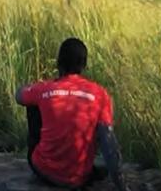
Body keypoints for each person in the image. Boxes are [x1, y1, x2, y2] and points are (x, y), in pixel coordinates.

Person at [15, 38, 127, 191]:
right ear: (84, 65)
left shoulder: (44, 89)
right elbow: (108, 143)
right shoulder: (99, 94)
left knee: (33, 104)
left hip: (45, 170)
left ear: (58, 62)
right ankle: (79, 166)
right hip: (80, 177)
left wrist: (34, 87)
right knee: (96, 124)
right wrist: (122, 186)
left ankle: (49, 156)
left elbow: (19, 96)